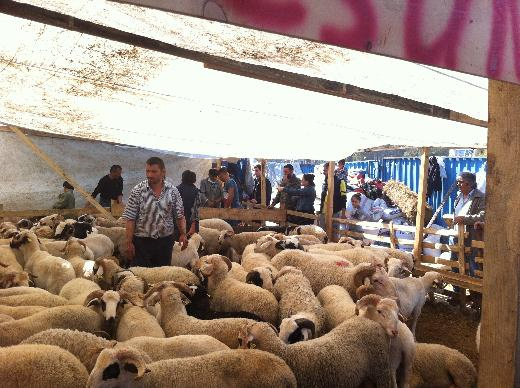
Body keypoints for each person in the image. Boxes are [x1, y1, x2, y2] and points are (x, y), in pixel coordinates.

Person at [122, 157, 187, 268]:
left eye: (154, 171)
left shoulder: (173, 191)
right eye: (147, 171)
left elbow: (179, 216)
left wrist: (183, 234)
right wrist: (128, 242)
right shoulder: (138, 191)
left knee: (162, 277)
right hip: (142, 243)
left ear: (163, 172)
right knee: (141, 276)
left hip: (165, 243)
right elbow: (130, 218)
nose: (150, 175)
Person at [450, 171, 485, 277]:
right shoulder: (458, 196)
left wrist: (464, 219)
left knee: (472, 264)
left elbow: (482, 216)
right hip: (456, 235)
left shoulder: (480, 197)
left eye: (460, 182)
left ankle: (474, 293)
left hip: (471, 237)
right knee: (455, 263)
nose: (458, 184)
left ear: (469, 184)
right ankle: (457, 291)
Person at [319, 162, 347, 241]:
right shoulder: (325, 182)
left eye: (325, 170)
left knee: (334, 232)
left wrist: (343, 214)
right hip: (323, 212)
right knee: (322, 233)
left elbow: (343, 198)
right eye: (324, 171)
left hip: (335, 212)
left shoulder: (341, 182)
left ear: (331, 170)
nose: (324, 172)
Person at [177, 170, 205, 238]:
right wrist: (194, 225)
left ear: (182, 178)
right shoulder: (196, 191)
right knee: (190, 246)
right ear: (194, 179)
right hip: (190, 225)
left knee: (176, 246)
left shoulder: (176, 190)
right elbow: (195, 210)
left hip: (177, 225)